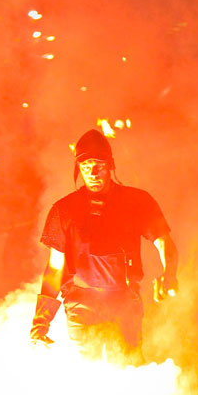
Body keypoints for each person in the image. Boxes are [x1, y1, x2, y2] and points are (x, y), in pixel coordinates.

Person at [30, 129, 178, 361]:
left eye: (99, 165)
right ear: (78, 168)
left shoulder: (137, 202)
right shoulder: (64, 211)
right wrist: (41, 323)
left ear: (110, 165)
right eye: (86, 165)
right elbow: (55, 269)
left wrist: (169, 273)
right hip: (81, 306)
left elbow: (164, 242)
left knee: (129, 367)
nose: (93, 172)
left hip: (124, 303)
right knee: (86, 370)